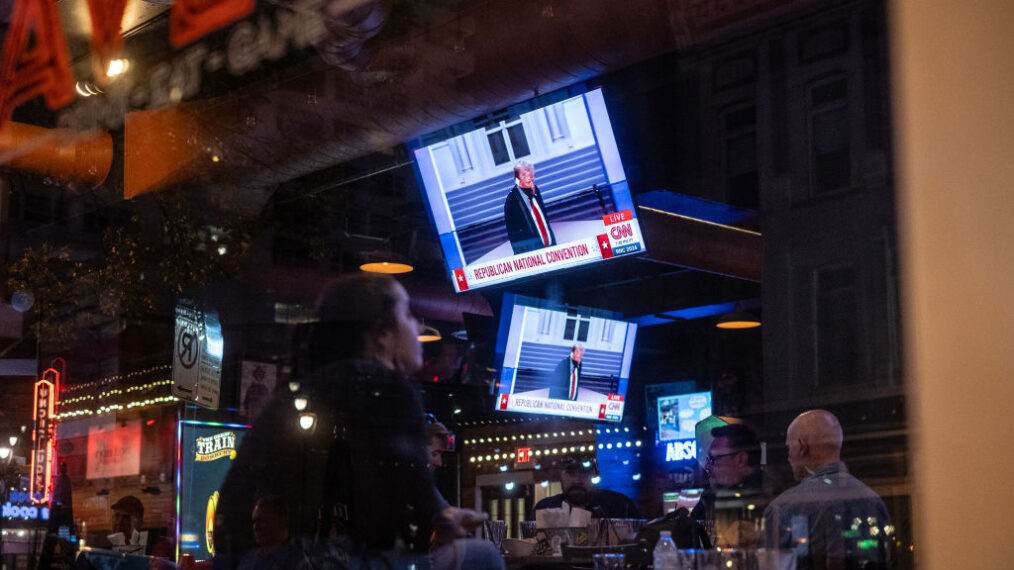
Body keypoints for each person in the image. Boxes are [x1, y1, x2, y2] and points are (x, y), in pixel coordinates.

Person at [214, 274, 502, 570]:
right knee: (484, 555)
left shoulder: (301, 389)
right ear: (381, 334)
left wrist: (442, 515)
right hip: (313, 560)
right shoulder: (387, 388)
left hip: (254, 562)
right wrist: (444, 520)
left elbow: (411, 490)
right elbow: (412, 513)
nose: (417, 326)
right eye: (407, 314)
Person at [762, 410, 890, 570]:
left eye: (789, 448)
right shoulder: (874, 501)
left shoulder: (782, 508)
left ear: (803, 447)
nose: (788, 457)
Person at [690, 423, 780, 548]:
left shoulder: (770, 496)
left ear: (740, 459)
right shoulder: (711, 496)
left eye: (714, 459)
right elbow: (693, 529)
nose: (707, 467)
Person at [532, 458, 639, 519]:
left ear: (596, 475)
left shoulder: (619, 505)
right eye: (571, 473)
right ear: (560, 476)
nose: (577, 480)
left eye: (584, 473)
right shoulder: (544, 508)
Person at [503, 161, 557, 255]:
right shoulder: (511, 201)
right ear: (518, 180)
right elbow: (513, 233)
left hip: (549, 245)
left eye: (532, 179)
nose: (532, 184)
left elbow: (543, 219)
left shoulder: (536, 190)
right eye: (528, 181)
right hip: (531, 251)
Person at [237, 496, 303, 570]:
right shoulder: (249, 560)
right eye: (254, 522)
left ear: (281, 521)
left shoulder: (297, 562)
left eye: (262, 521)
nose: (255, 527)